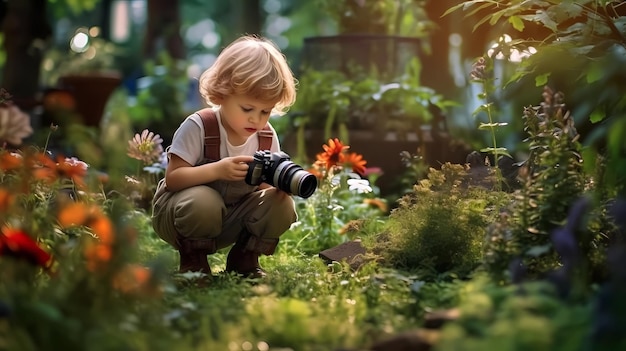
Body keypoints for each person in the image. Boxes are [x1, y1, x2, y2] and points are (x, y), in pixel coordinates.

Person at [151, 35, 298, 279]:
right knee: (204, 199)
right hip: (181, 217)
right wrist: (217, 170)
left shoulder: (265, 135)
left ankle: (244, 258)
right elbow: (173, 179)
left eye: (266, 111)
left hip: (230, 219)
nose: (256, 119)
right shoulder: (199, 126)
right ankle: (193, 262)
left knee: (282, 203)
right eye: (247, 109)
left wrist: (279, 185)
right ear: (223, 93)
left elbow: (263, 191)